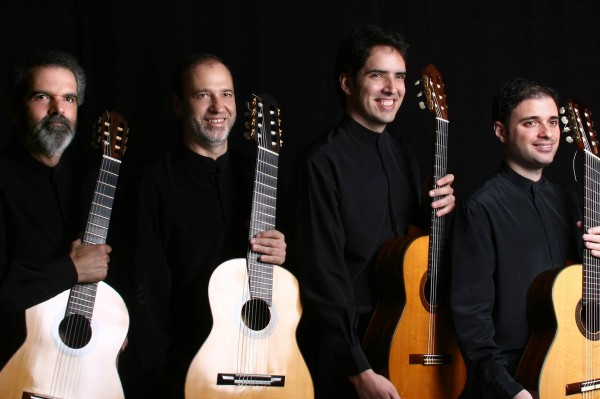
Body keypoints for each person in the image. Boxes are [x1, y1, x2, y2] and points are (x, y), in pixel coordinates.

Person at [285, 24, 455, 398]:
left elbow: (410, 254)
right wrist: (358, 368)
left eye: (399, 77)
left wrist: (439, 213)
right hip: (345, 355)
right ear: (347, 83)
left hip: (403, 337)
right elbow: (321, 274)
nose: (392, 89)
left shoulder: (404, 157)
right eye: (377, 75)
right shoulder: (320, 162)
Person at [118, 53, 287, 398]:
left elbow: (297, 281)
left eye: (226, 94)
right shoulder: (151, 184)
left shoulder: (260, 176)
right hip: (186, 364)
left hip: (264, 360)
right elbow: (145, 287)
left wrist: (284, 255)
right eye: (202, 95)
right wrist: (161, 374)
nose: (217, 107)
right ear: (179, 105)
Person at [450, 77, 600, 399]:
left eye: (553, 122)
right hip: (514, 379)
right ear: (501, 131)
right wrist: (510, 390)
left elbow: (585, 298)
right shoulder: (479, 209)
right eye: (531, 123)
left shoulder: (571, 203)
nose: (547, 133)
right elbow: (471, 316)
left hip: (572, 370)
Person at [0, 49, 112, 365]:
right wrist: (71, 269)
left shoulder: (93, 180)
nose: (57, 110)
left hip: (83, 360)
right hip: (13, 366)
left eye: (68, 99)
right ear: (13, 108)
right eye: (42, 97)